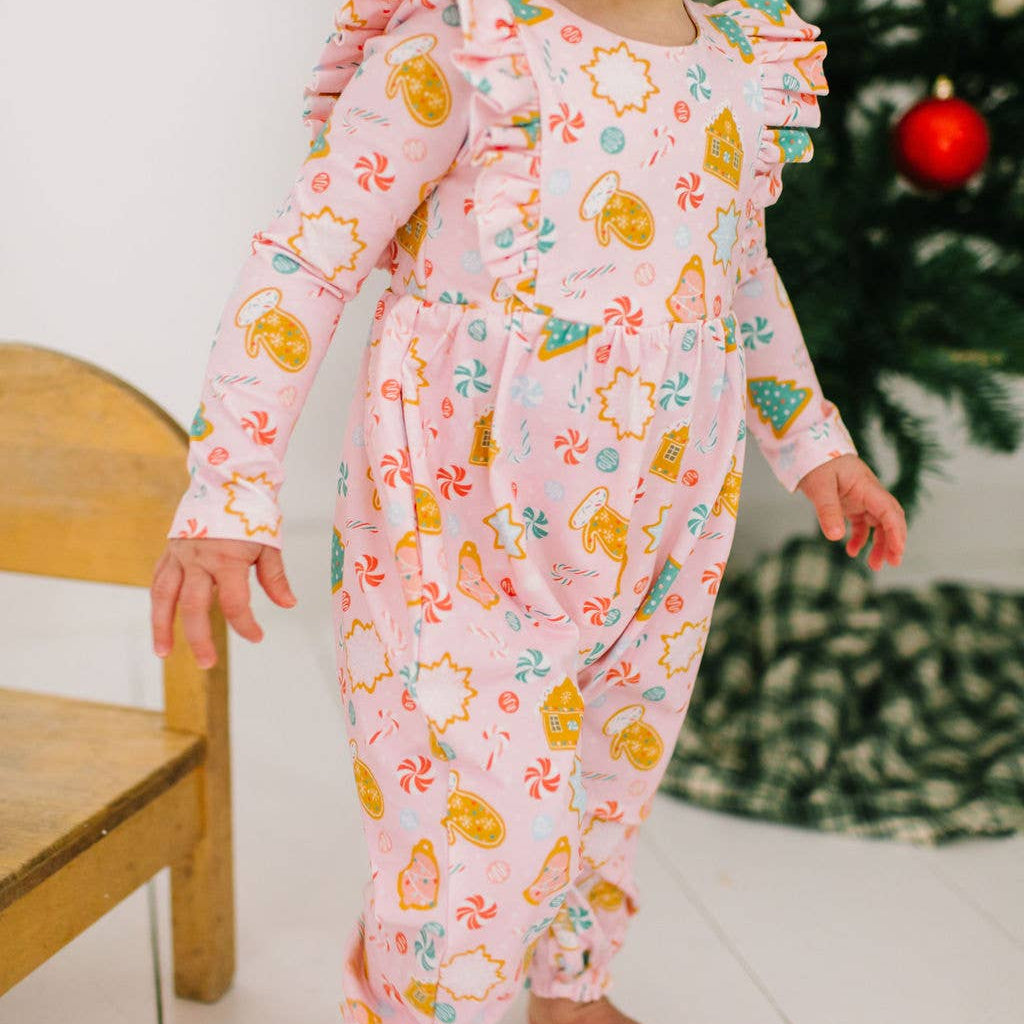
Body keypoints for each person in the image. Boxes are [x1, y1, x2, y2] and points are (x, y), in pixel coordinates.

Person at [149, 2, 907, 1023]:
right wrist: (230, 486)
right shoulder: (462, 51)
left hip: (666, 507)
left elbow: (736, 270)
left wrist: (814, 441)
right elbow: (306, 259)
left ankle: (569, 987)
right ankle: (424, 1007)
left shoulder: (731, 54)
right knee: (479, 816)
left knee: (616, 759)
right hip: (463, 510)